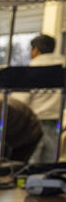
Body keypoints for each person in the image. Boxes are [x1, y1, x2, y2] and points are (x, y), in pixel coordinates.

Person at [23, 34, 63, 162]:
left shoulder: (34, 66)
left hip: (35, 120)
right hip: (57, 120)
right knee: (51, 159)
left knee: (32, 159)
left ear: (35, 50)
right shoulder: (63, 65)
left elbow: (23, 97)